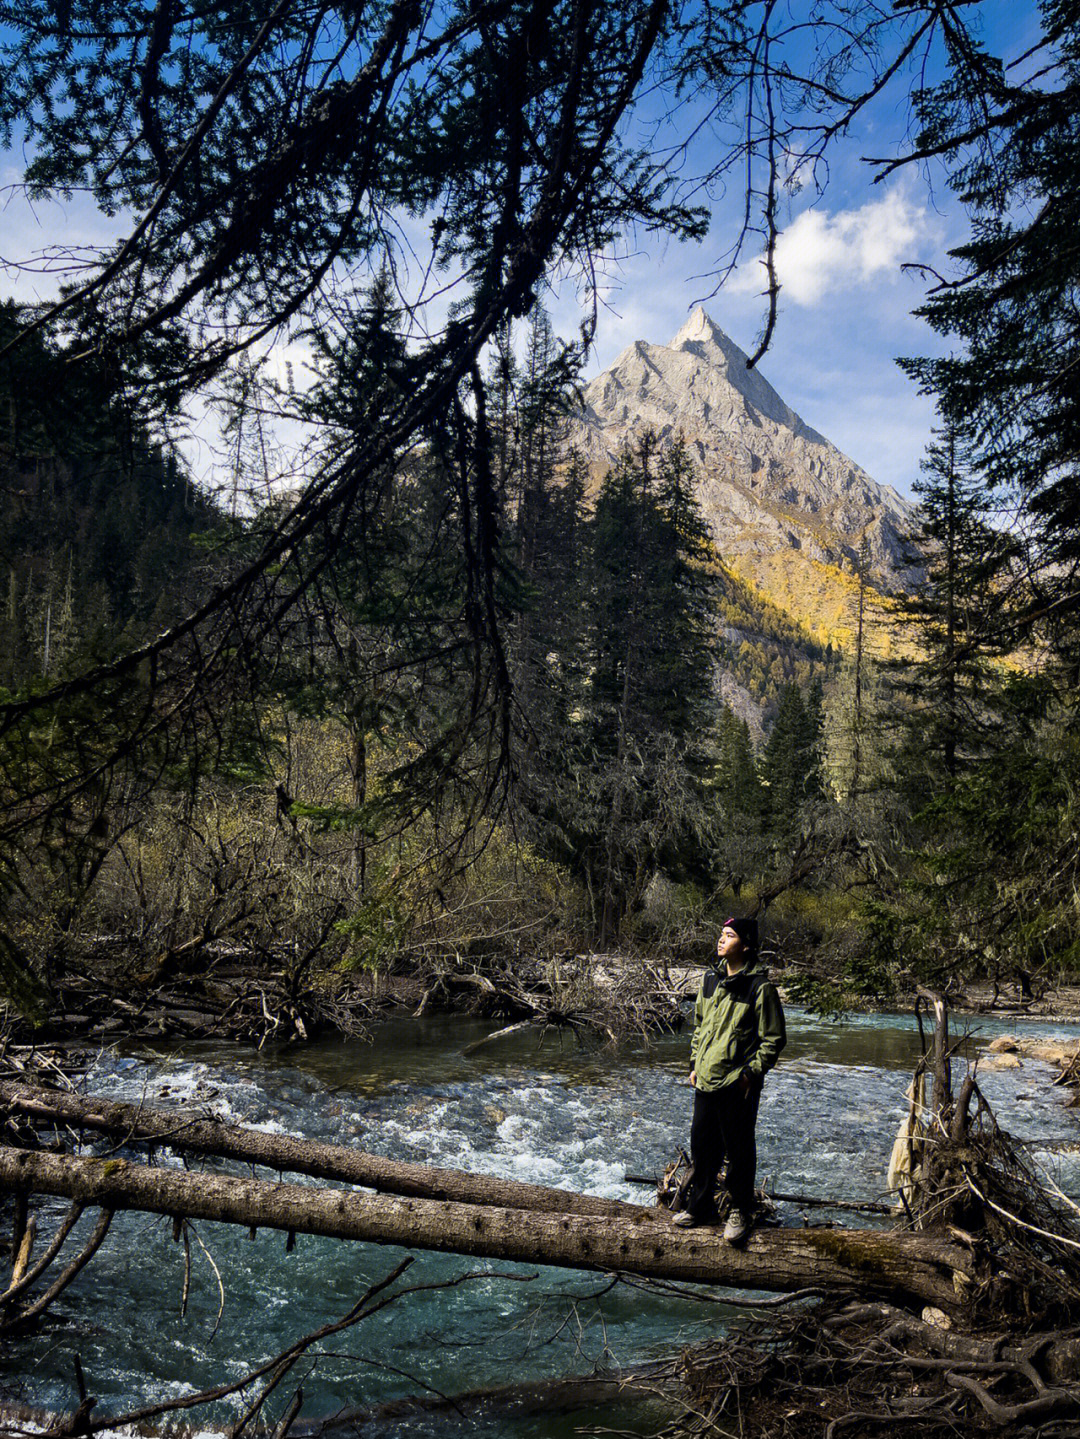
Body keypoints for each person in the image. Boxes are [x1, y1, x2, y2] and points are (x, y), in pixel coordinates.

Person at [672, 916, 786, 1242]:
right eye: (721, 934)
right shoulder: (709, 980)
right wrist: (695, 1062)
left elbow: (773, 1039)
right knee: (702, 1146)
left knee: (738, 1150)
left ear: (746, 945)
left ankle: (739, 1210)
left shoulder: (760, 988)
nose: (721, 940)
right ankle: (701, 1207)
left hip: (737, 1084)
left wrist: (750, 1073)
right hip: (706, 1079)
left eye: (730, 935)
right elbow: (700, 1026)